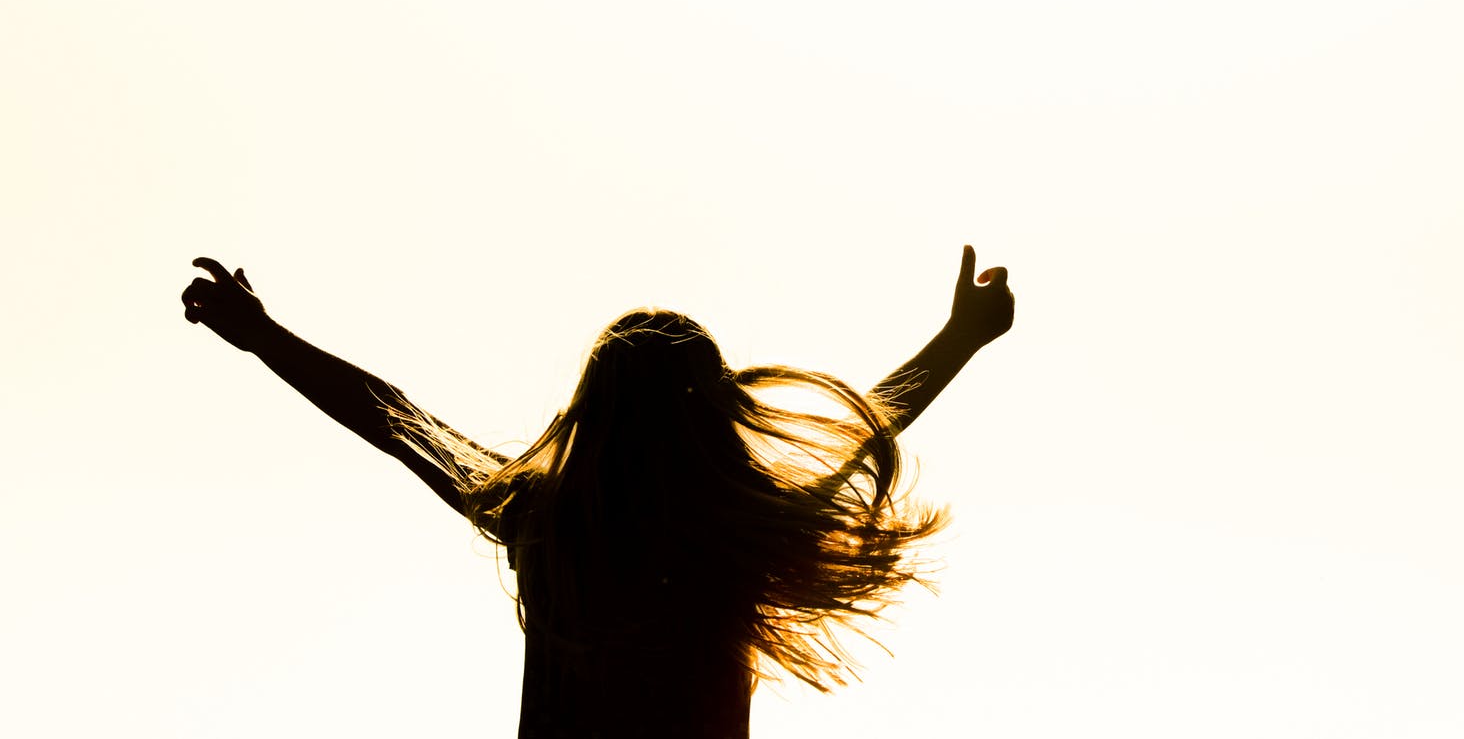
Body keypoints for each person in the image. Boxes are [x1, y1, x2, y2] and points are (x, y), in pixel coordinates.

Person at [181, 245, 1015, 738]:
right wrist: (959, 339)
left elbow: (392, 418)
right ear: (716, 414)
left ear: (591, 409)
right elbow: (869, 430)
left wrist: (263, 336)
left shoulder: (544, 517)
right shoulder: (732, 532)